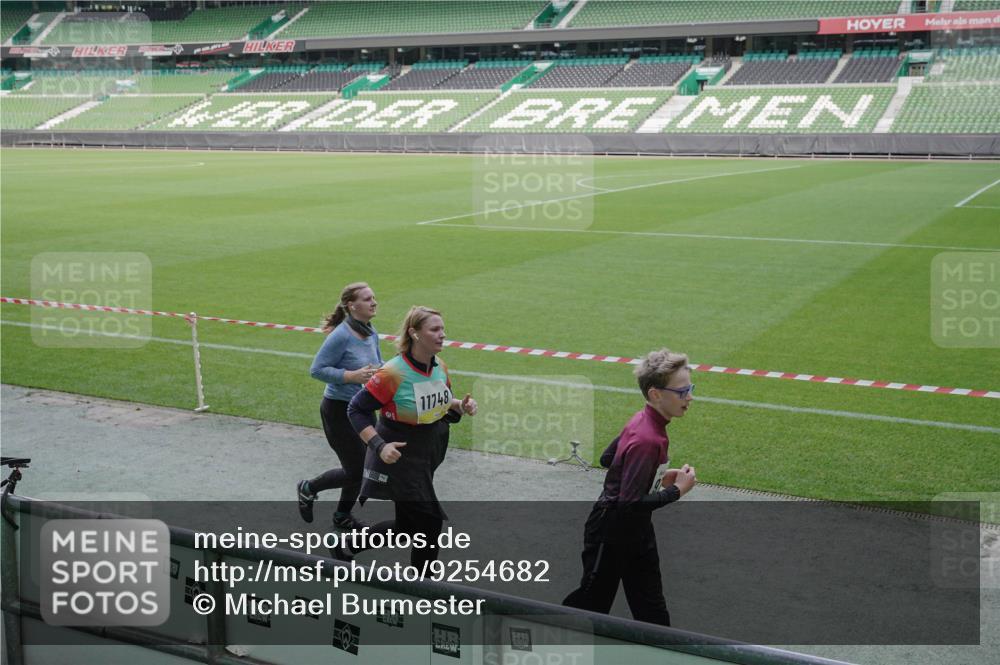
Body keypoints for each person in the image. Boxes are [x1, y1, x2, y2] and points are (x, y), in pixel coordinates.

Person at [562, 348, 698, 626]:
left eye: (690, 389)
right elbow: (629, 504)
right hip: (610, 535)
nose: (690, 397)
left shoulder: (641, 420)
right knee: (590, 606)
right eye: (682, 391)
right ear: (655, 395)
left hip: (635, 533)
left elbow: (608, 458)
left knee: (652, 611)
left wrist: (656, 476)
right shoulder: (649, 438)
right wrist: (677, 491)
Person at [344, 306, 477, 567]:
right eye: (435, 329)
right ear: (414, 334)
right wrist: (379, 446)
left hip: (425, 454)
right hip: (400, 458)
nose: (442, 335)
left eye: (443, 329)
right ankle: (422, 588)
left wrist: (460, 405)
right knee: (430, 522)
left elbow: (441, 398)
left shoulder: (439, 366)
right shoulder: (392, 372)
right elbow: (356, 409)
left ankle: (347, 546)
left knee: (407, 528)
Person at [297, 282, 382, 531]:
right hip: (339, 411)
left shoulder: (370, 331)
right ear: (351, 306)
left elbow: (376, 362)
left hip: (364, 409)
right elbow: (317, 370)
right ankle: (308, 488)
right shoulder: (341, 335)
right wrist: (351, 376)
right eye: (367, 299)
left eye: (373, 297)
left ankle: (342, 516)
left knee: (365, 466)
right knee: (357, 469)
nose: (374, 302)